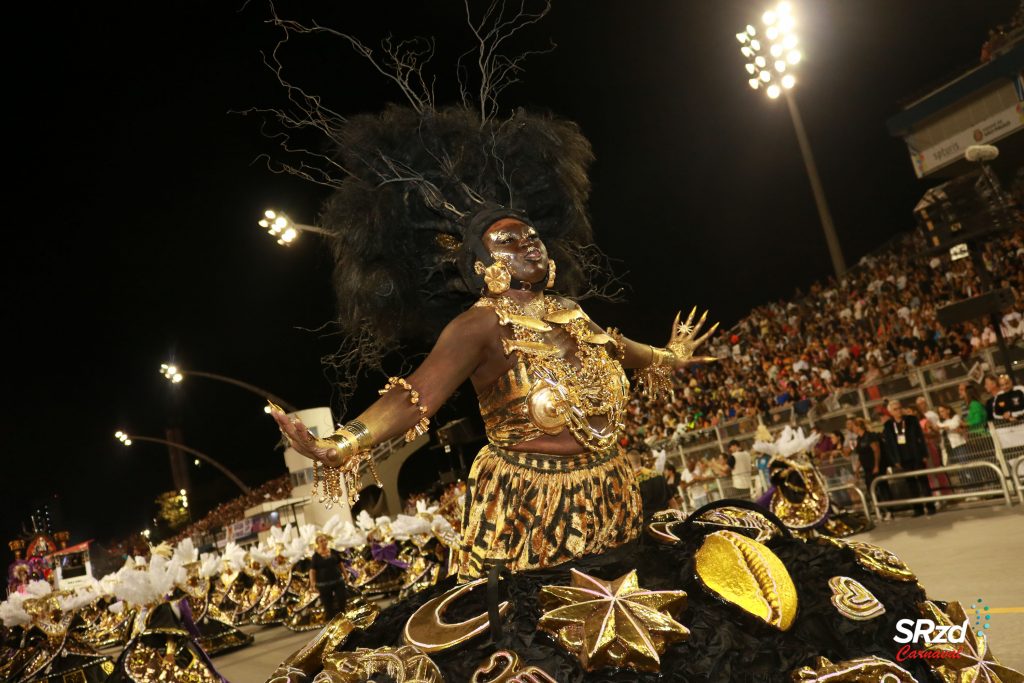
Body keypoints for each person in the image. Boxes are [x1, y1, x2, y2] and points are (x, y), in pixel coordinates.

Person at [881, 399, 936, 516]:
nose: (899, 411)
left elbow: (920, 437)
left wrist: (924, 454)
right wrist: (895, 460)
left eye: (900, 408)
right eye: (895, 409)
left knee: (923, 480)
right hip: (902, 458)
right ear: (891, 412)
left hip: (916, 454)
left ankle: (930, 506)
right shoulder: (888, 426)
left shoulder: (911, 420)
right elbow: (889, 445)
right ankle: (917, 509)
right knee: (910, 483)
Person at [848, 417, 892, 520]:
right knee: (870, 489)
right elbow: (860, 456)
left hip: (876, 467)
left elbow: (876, 450)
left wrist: (876, 465)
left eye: (854, 426)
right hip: (867, 468)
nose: (852, 428)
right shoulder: (859, 439)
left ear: (858, 426)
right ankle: (880, 511)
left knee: (882, 488)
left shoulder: (870, 436)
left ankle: (889, 510)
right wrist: (857, 469)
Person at [309, 533, 346, 619]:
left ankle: (343, 619)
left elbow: (340, 564)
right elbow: (312, 571)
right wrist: (313, 583)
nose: (323, 542)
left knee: (342, 600)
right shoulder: (315, 556)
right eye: (321, 541)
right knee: (328, 606)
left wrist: (346, 576)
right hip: (324, 584)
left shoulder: (333, 551)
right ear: (318, 543)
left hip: (338, 581)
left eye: (325, 540)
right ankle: (332, 622)